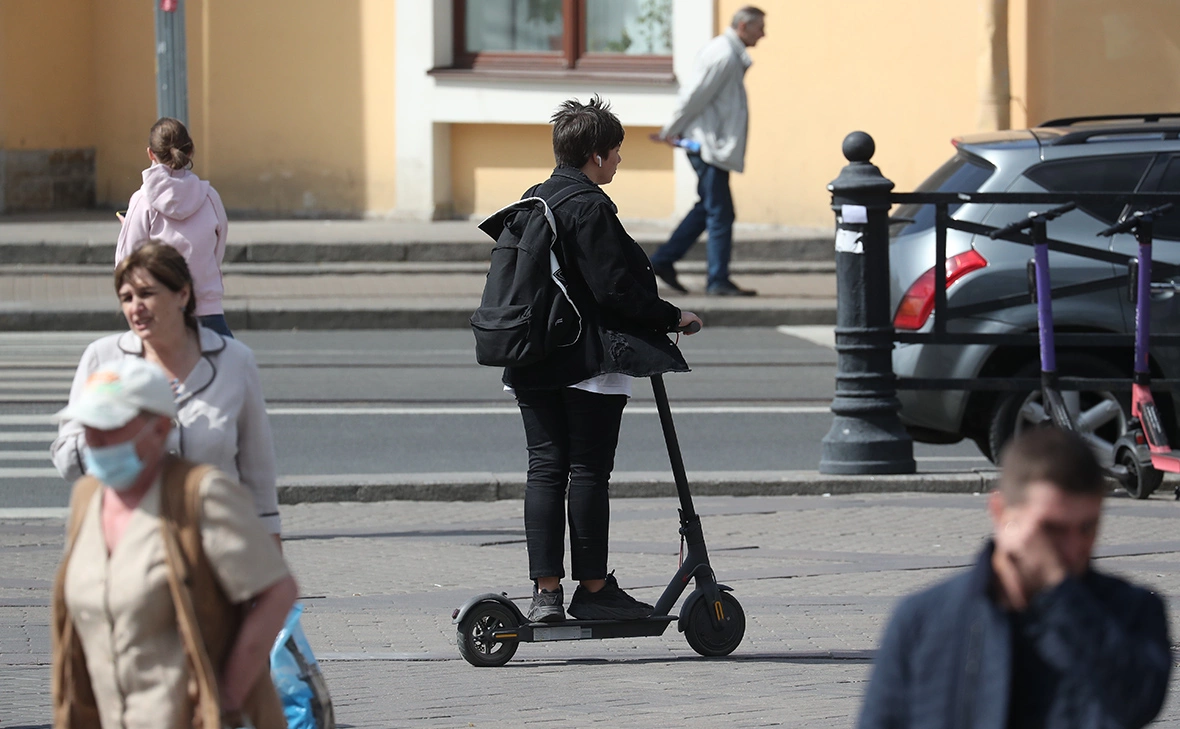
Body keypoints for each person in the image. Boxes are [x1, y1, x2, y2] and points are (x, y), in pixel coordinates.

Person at [506, 95, 703, 623]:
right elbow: (615, 289)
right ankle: (593, 589)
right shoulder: (589, 206)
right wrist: (672, 317)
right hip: (584, 361)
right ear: (595, 155)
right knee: (589, 471)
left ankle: (545, 594)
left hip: (530, 356)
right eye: (615, 153)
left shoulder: (533, 200)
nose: (618, 162)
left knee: (545, 470)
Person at [857, 427, 1171, 729]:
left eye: (1087, 528)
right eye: (1052, 529)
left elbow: (1139, 702)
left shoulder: (1130, 610)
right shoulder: (924, 619)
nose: (1073, 548)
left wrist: (1062, 592)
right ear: (1000, 512)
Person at [50, 356, 296, 729]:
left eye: (110, 424)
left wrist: (227, 696)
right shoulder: (87, 497)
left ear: (160, 428)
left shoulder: (200, 494)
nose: (94, 437)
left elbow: (277, 592)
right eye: (88, 424)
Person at [51, 243, 283, 537]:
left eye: (147, 294)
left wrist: (270, 552)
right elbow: (65, 460)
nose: (136, 307)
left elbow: (258, 473)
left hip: (216, 542)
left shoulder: (235, 361)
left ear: (182, 294)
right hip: (130, 540)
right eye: (126, 298)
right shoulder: (104, 358)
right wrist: (118, 436)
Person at [649, 6, 766, 297]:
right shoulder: (723, 54)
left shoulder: (728, 53)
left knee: (708, 208)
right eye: (759, 27)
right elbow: (694, 95)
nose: (763, 34)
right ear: (742, 26)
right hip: (707, 146)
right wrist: (670, 130)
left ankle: (663, 260)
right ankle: (717, 280)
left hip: (711, 145)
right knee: (720, 213)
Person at [116, 116, 232, 337]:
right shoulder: (209, 196)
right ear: (190, 151)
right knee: (227, 367)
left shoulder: (142, 201)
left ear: (151, 153)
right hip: (208, 309)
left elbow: (126, 264)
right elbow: (217, 249)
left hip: (161, 314)